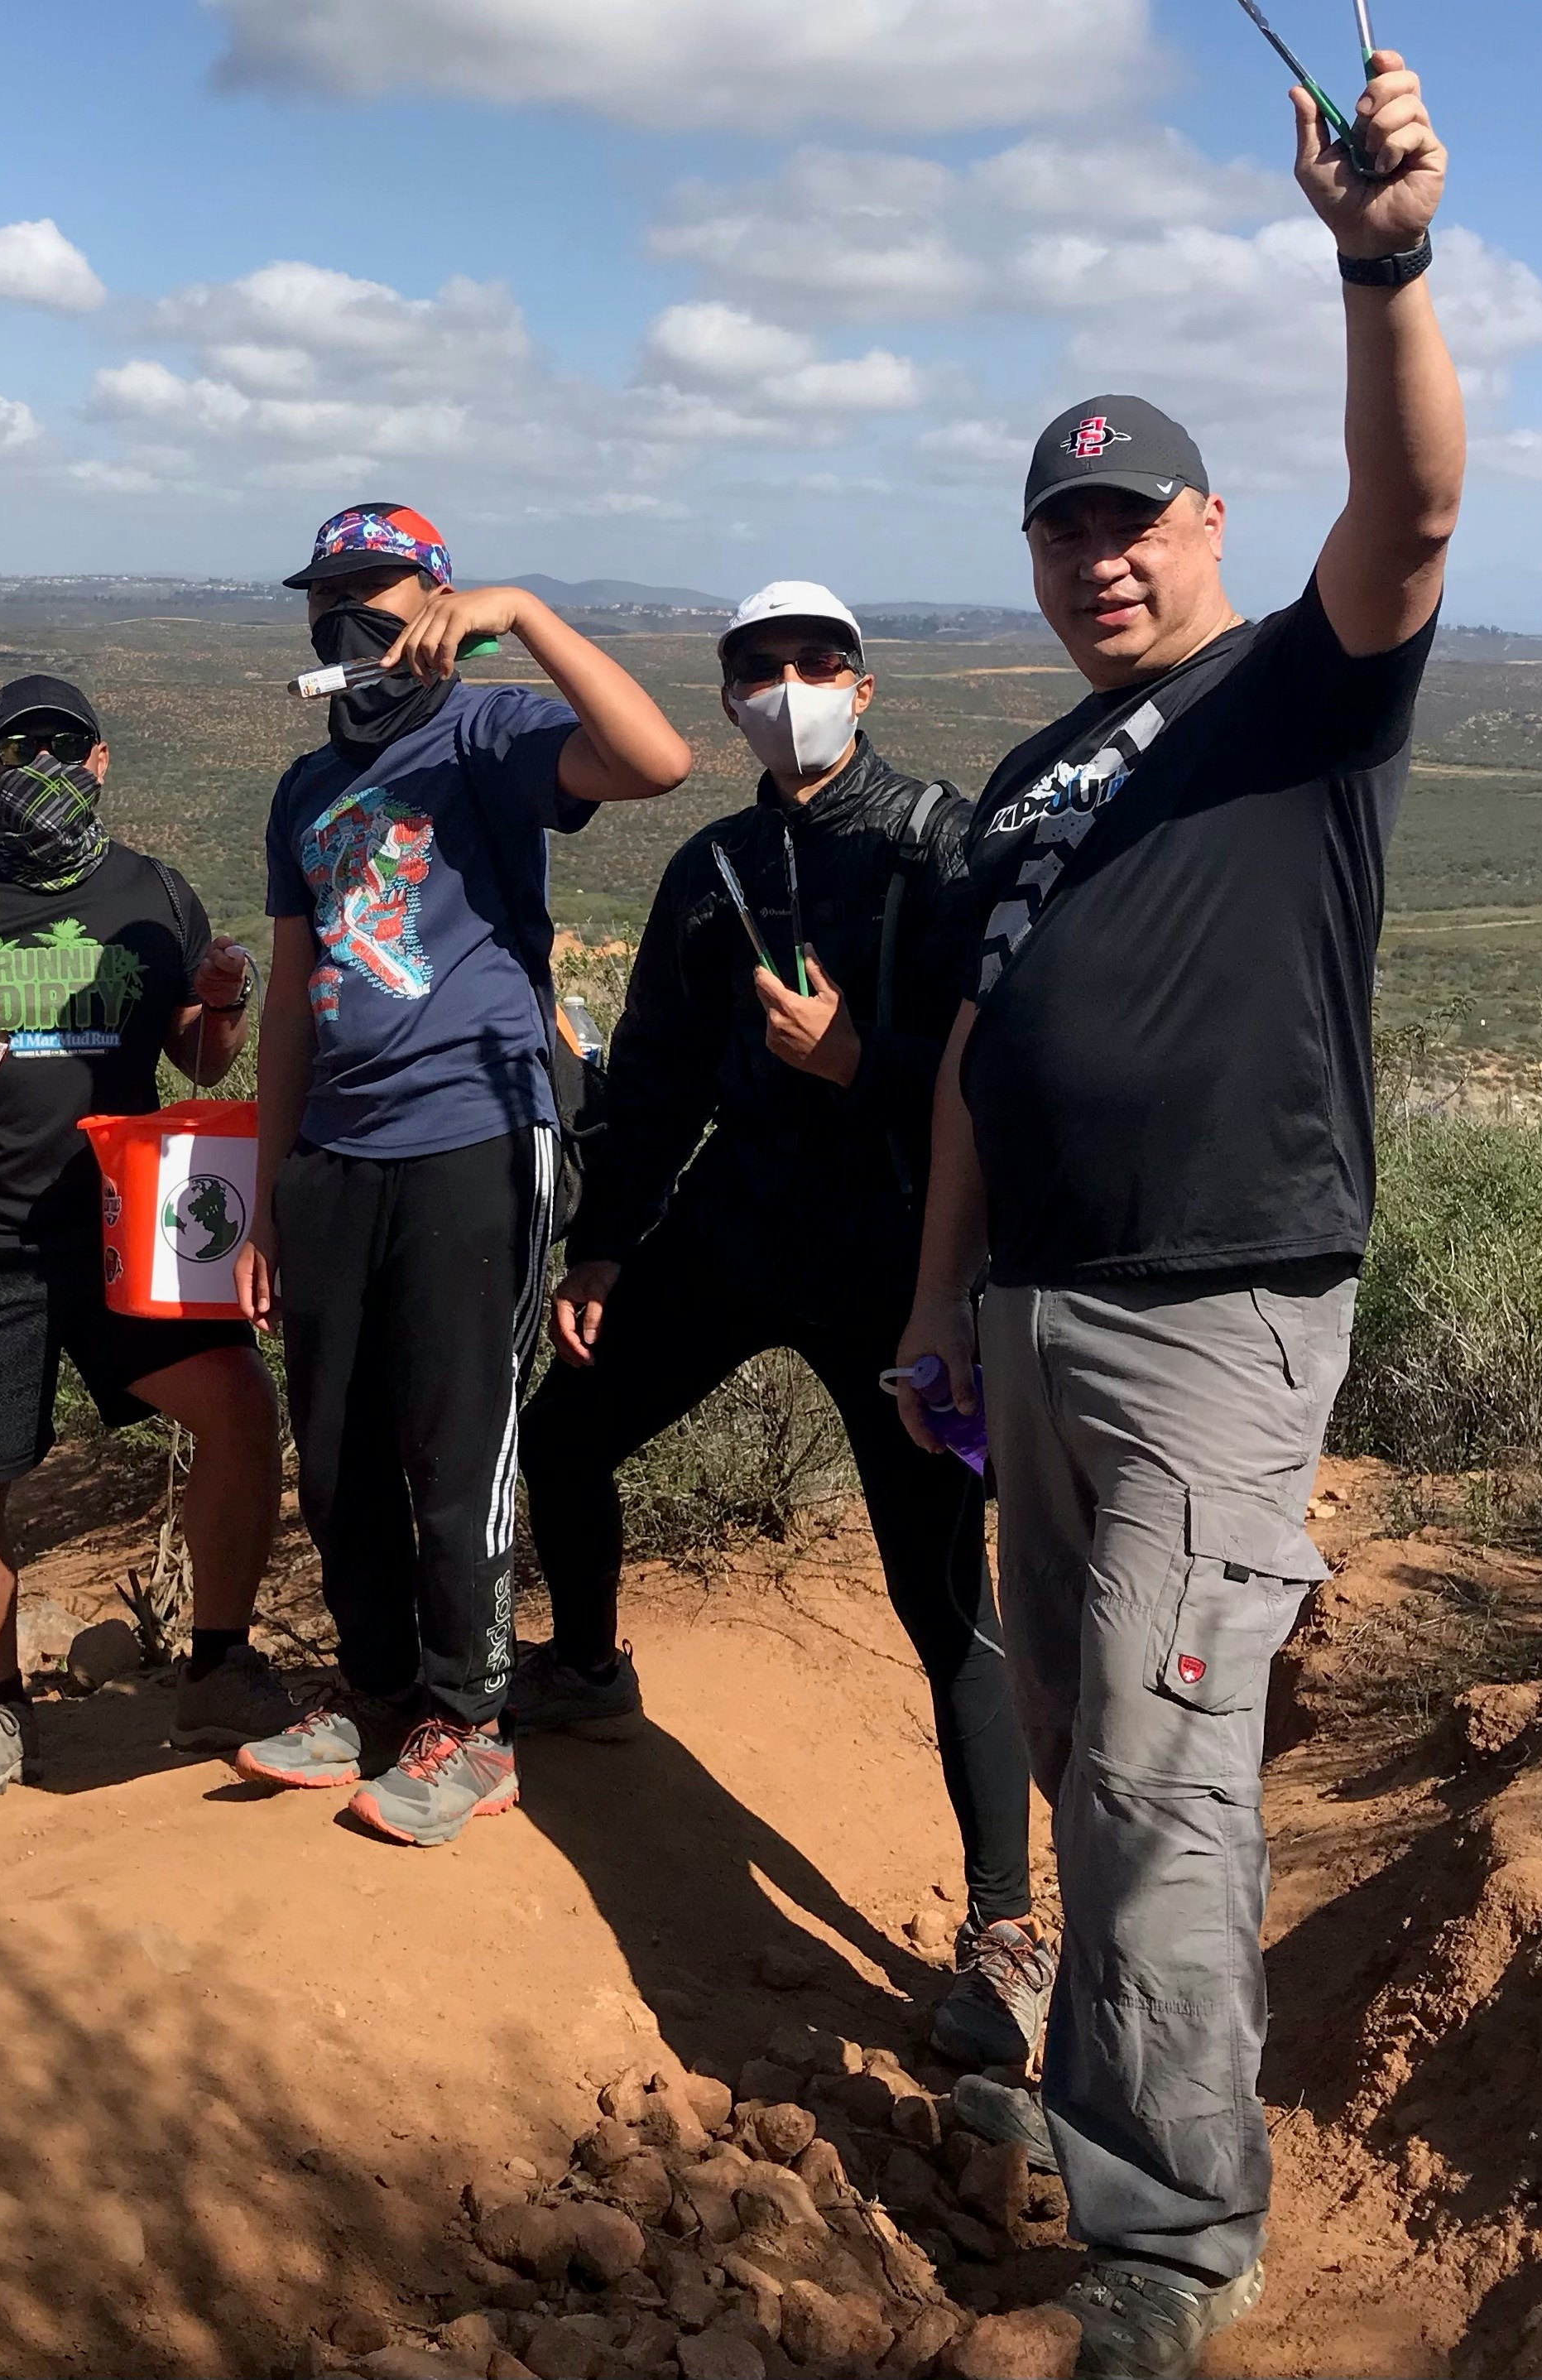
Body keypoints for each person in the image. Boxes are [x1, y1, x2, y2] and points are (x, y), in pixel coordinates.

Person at [895, 52, 1460, 2378]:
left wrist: (1381, 258)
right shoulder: (1030, 774)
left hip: (1218, 1306)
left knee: (1147, 1752)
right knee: (1094, 1746)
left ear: (1210, 528)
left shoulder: (1288, 696)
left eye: (1133, 518)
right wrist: (938, 1292)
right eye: (1060, 529)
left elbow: (1413, 508)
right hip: (1032, 1306)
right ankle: (1126, 2101)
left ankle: (1162, 2237)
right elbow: (965, 1050)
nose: (1098, 553)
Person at [516, 578, 1052, 2068]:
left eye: (817, 663)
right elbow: (661, 1076)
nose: (789, 687)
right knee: (565, 1439)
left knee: (941, 1596)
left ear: (863, 684)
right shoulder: (711, 867)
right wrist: (610, 1248)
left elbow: (987, 1081)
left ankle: (1004, 1927)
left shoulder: (940, 848)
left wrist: (856, 1064)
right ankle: (586, 1666)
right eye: (759, 668)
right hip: (732, 1230)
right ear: (730, 693)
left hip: (894, 1257)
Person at [231, 503, 690, 1844]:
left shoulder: (485, 735)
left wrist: (526, 617)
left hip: (472, 1132)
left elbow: (655, 760)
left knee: (454, 1439)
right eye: (326, 600)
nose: (346, 622)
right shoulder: (305, 788)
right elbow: (284, 997)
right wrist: (270, 1188)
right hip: (334, 1152)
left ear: (432, 597)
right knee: (335, 1454)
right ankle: (371, 1686)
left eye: (375, 595)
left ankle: (469, 1721)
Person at [0, 675, 290, 1795]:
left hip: (129, 1234)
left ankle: (219, 1669)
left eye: (65, 744)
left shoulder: (156, 895)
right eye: (17, 746)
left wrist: (223, 1002)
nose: (42, 761)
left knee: (239, 1411)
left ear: (100, 763)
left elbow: (201, 1061)